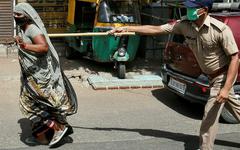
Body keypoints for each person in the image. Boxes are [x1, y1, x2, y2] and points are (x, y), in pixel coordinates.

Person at [109, 0, 240, 149]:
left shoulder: (220, 30)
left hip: (222, 76)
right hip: (210, 76)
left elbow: (235, 58)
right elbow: (156, 29)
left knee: (209, 116)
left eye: (192, 8)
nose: (188, 10)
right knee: (236, 110)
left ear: (203, 10)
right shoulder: (184, 25)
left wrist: (225, 88)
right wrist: (125, 28)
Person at [13, 2, 78, 147]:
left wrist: (25, 46)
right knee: (41, 105)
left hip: (38, 77)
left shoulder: (32, 29)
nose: (15, 16)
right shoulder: (23, 29)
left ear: (27, 16)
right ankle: (43, 136)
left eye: (19, 14)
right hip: (31, 76)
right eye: (15, 14)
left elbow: (43, 47)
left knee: (29, 105)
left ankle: (58, 127)